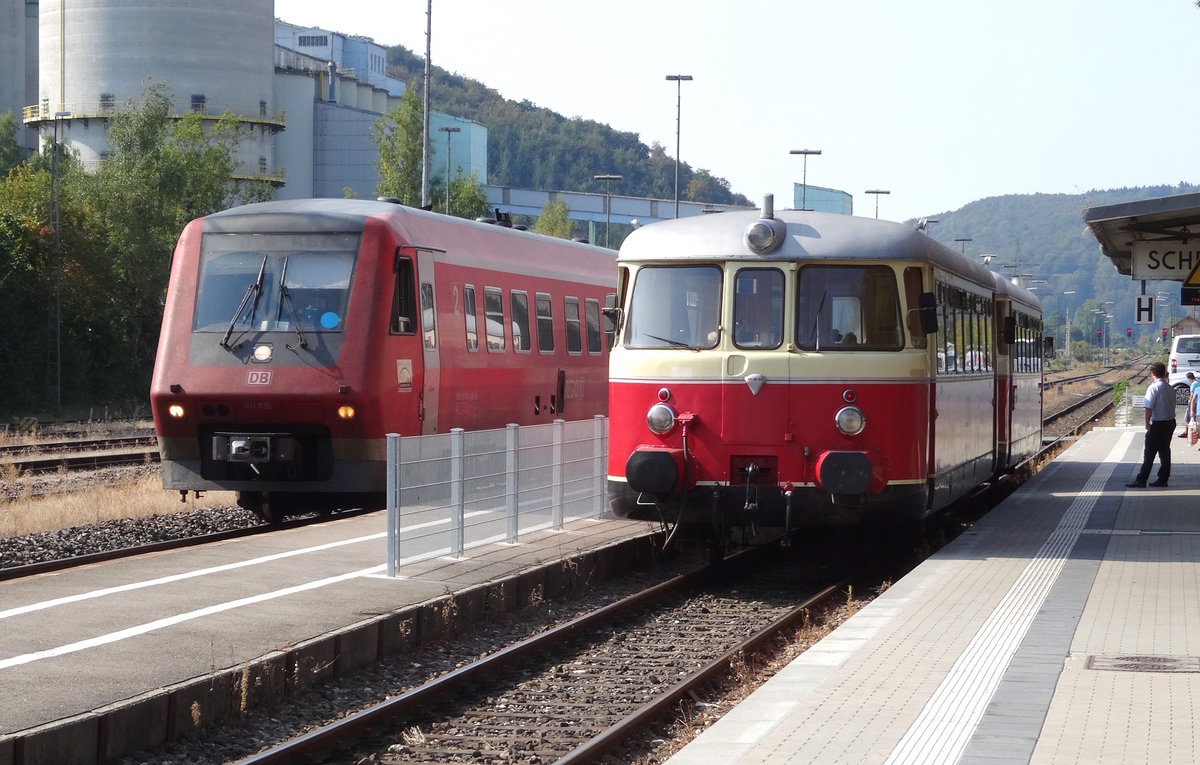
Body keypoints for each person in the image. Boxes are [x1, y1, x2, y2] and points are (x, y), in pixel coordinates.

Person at [1127, 361, 1175, 488]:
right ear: (1163, 373)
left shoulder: (1153, 388)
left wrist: (1147, 423)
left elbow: (1148, 408)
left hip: (1158, 424)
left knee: (1149, 453)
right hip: (1170, 423)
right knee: (1165, 451)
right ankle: (1163, 479)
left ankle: (1141, 479)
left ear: (1152, 373)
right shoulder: (1170, 388)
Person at [1179, 371, 1198, 438]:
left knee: (1187, 418)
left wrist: (1190, 401)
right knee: (1196, 418)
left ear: (1189, 378)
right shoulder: (1198, 382)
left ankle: (1186, 432)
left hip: (1193, 403)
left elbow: (1192, 395)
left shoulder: (1193, 384)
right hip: (1198, 403)